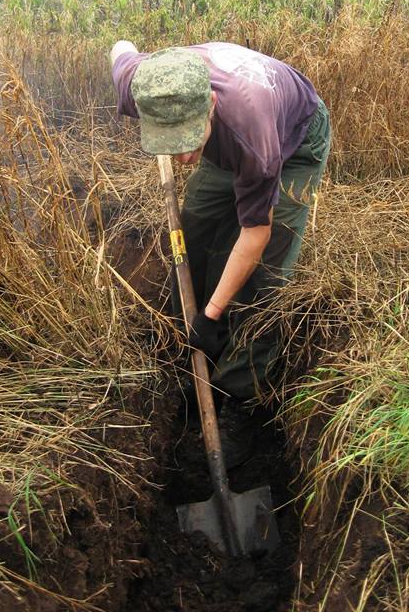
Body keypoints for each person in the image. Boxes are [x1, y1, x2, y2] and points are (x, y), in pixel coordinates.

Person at [110, 40, 331, 465]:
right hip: (223, 134)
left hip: (294, 138)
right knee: (193, 234)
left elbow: (255, 234)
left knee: (265, 276)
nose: (184, 155)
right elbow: (120, 48)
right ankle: (193, 362)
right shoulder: (142, 86)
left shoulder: (256, 141)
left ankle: (239, 397)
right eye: (169, 142)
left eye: (188, 140)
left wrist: (210, 316)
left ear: (210, 104)